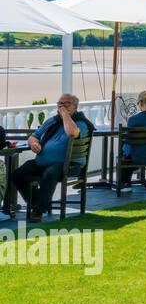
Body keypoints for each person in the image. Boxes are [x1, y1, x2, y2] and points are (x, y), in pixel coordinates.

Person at [12, 94, 93, 223]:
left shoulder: (81, 123)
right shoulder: (52, 121)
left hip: (70, 165)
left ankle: (39, 210)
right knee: (18, 174)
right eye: (60, 103)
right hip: (42, 163)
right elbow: (34, 136)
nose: (62, 106)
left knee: (50, 173)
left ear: (75, 107)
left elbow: (72, 133)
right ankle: (37, 202)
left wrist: (65, 115)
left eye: (67, 103)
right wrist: (34, 143)